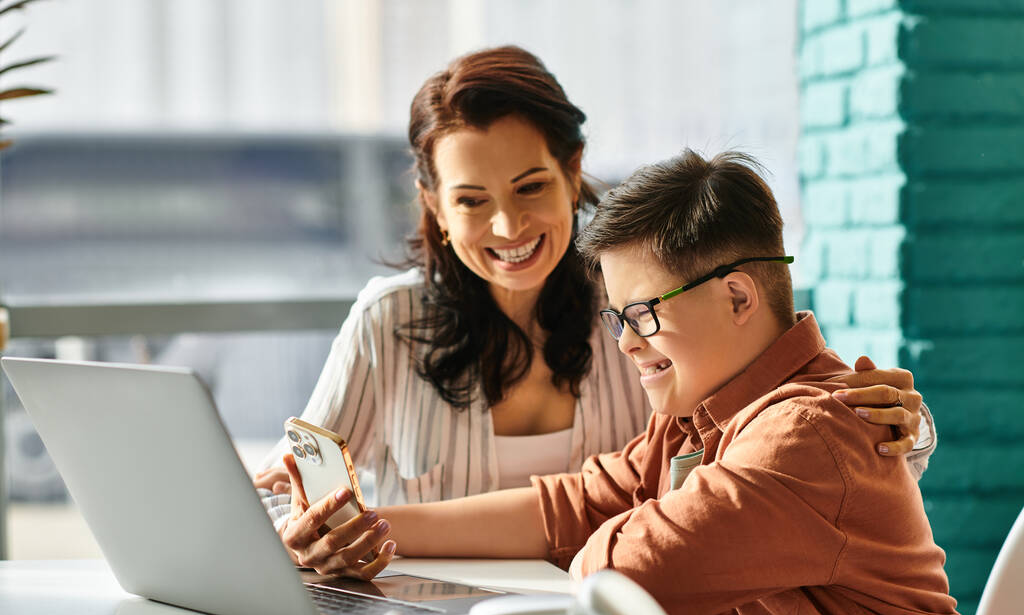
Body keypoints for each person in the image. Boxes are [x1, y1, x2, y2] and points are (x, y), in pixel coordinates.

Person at [257, 46, 935, 579]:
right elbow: (282, 494)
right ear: (434, 205)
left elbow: (789, 418)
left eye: (530, 187)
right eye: (470, 200)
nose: (507, 224)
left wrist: (906, 430)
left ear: (573, 170)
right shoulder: (387, 321)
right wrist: (317, 531)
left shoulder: (647, 310)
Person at [339, 149, 996, 615]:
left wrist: (634, 526)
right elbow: (568, 508)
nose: (625, 343)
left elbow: (622, 570)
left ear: (738, 295)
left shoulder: (807, 432)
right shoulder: (693, 421)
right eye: (618, 317)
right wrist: (368, 527)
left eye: (644, 315)